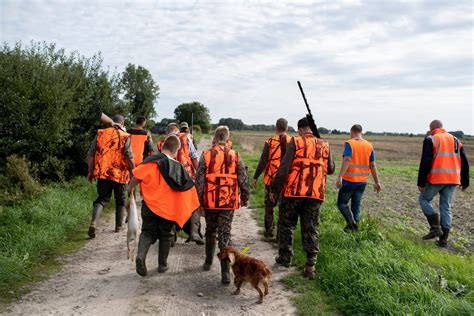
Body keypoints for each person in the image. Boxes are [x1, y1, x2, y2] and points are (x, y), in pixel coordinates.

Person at [270, 117, 335, 280]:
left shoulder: (296, 142)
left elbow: (284, 169)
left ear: (300, 130)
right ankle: (310, 265)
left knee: (287, 225)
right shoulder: (324, 144)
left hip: (293, 192)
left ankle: (285, 259)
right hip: (315, 194)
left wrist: (274, 189)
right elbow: (331, 169)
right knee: (311, 227)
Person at [129, 135, 200, 276]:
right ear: (176, 151)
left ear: (162, 147)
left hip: (149, 206)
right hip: (168, 210)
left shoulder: (149, 162)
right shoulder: (178, 167)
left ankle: (141, 256)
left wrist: (129, 193)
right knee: (166, 235)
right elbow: (188, 189)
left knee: (147, 232)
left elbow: (135, 179)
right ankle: (162, 265)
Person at [196, 126, 250, 284]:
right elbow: (243, 180)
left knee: (210, 231)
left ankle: (207, 262)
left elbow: (199, 181)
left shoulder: (206, 155)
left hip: (210, 202)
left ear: (214, 138)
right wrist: (245, 197)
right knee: (225, 236)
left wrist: (198, 202)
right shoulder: (236, 155)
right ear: (228, 138)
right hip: (228, 202)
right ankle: (225, 273)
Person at [418, 120, 469, 247]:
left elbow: (426, 161)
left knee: (424, 199)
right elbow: (465, 161)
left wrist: (421, 181)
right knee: (446, 207)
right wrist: (465, 180)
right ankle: (443, 240)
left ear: (431, 128)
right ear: (442, 127)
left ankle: (435, 227)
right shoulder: (456, 140)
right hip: (453, 179)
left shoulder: (431, 139)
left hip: (437, 178)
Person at [87, 115, 134, 238]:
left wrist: (90, 171)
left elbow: (91, 155)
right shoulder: (125, 136)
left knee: (102, 198)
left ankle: (93, 223)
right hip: (120, 174)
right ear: (123, 123)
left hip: (103, 172)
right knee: (121, 199)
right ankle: (118, 226)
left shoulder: (100, 134)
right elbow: (129, 156)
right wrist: (133, 170)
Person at [158, 123, 203, 244]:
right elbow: (194, 157)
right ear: (177, 130)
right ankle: (194, 232)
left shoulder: (162, 142)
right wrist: (198, 175)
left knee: (171, 206)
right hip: (186, 177)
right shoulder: (185, 137)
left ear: (167, 132)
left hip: (168, 180)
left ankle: (171, 235)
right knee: (193, 204)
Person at [335, 124, 381, 231]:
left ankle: (351, 224)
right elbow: (373, 165)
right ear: (361, 132)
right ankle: (356, 231)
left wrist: (340, 177)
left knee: (342, 203)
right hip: (362, 183)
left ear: (352, 131)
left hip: (349, 181)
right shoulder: (369, 145)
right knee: (356, 206)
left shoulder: (350, 143)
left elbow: (347, 159)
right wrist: (377, 182)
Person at [252, 118, 291, 237]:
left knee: (269, 206)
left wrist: (255, 177)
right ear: (287, 128)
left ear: (276, 128)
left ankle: (269, 231)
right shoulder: (293, 141)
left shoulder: (270, 142)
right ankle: (281, 234)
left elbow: (263, 161)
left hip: (271, 179)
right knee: (284, 208)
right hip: (287, 179)